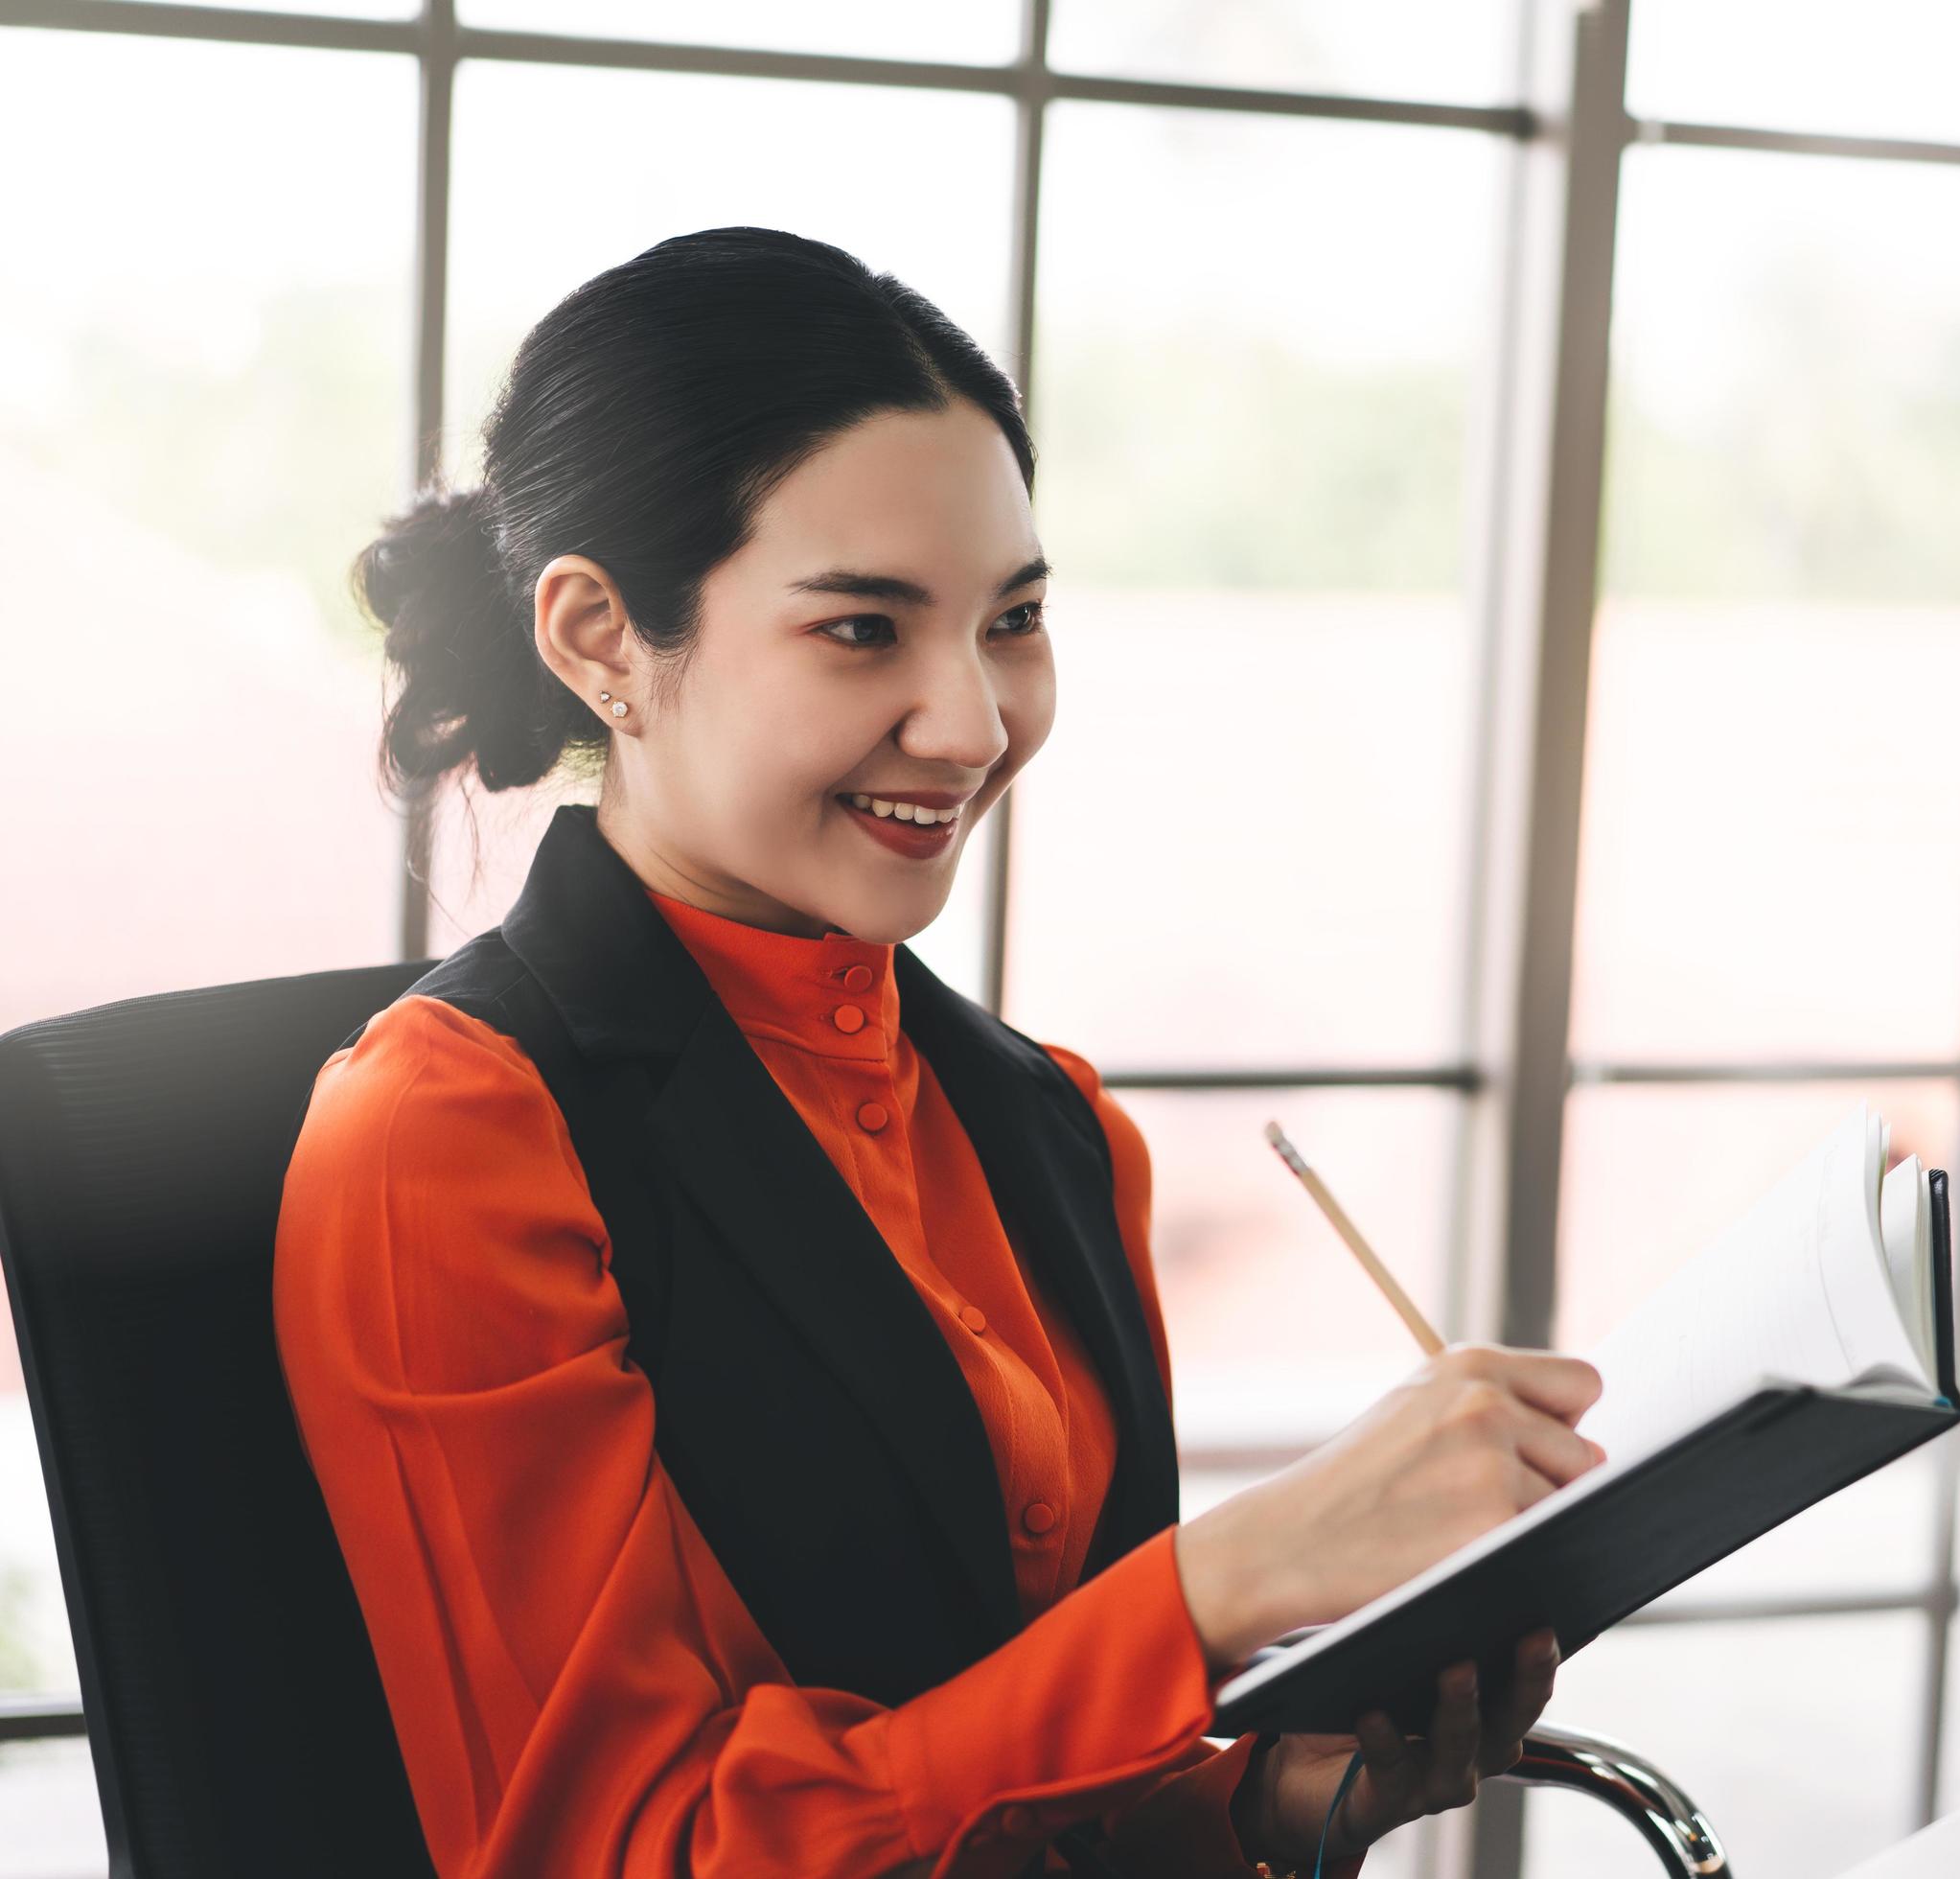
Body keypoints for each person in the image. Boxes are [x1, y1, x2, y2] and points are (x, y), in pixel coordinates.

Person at [271, 224, 1609, 1879]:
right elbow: (628, 1850)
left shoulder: (1051, 1126)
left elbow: (1030, 1763)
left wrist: (1277, 1794)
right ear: (604, 639)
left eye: (1015, 619)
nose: (974, 724)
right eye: (862, 631)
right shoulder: (450, 1133)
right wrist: (1211, 1594)